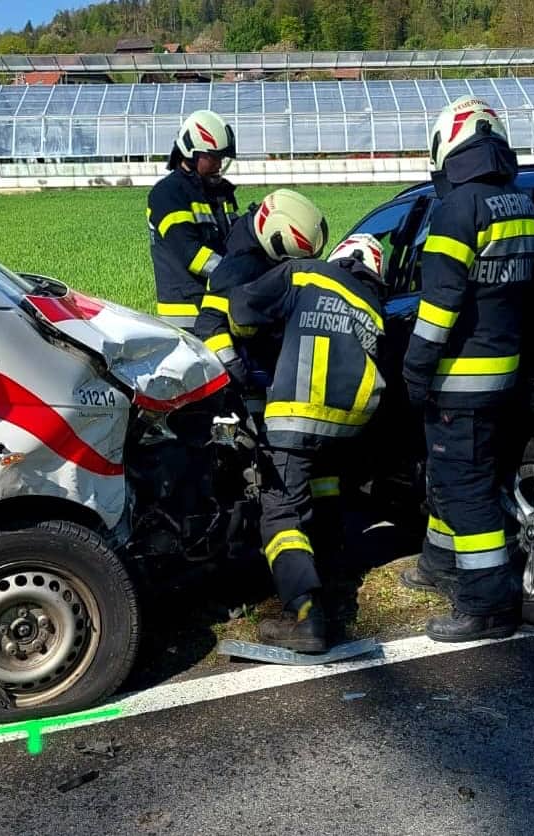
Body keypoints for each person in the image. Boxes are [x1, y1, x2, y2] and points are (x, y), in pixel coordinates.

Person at [400, 96, 534, 643]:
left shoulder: (457, 210)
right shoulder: (517, 203)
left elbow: (439, 307)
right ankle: (439, 562)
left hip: (460, 376)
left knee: (464, 488)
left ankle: (486, 605)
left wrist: (415, 370)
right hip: (504, 372)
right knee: (455, 475)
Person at [225, 233, 387, 652]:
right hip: (350, 423)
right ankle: (330, 576)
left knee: (280, 515)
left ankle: (304, 614)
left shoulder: (306, 273)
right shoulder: (373, 308)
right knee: (325, 487)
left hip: (297, 416)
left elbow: (242, 308)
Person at [195, 189, 327, 392]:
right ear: (276, 241)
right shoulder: (239, 269)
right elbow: (209, 323)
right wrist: (234, 366)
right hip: (255, 371)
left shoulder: (260, 245)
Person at [147, 110, 239, 329]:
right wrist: (239, 274)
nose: (219, 164)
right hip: (186, 313)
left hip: (218, 303)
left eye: (222, 157)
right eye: (213, 157)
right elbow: (192, 254)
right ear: (191, 154)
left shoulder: (219, 191)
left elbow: (235, 237)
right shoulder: (168, 194)